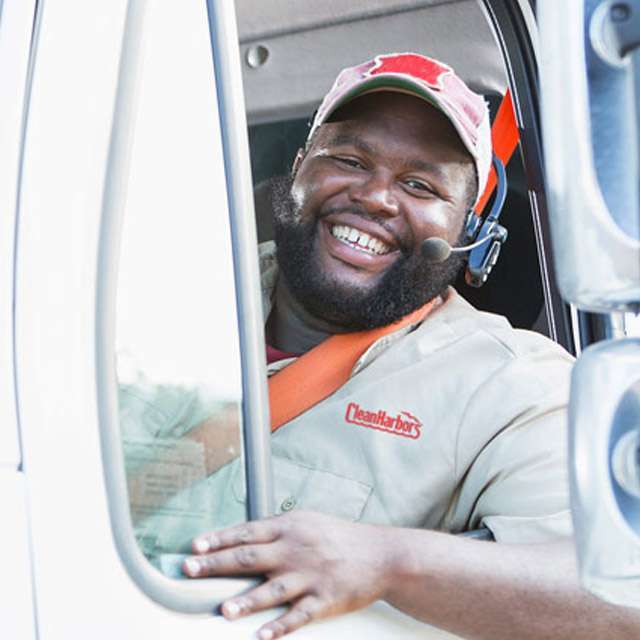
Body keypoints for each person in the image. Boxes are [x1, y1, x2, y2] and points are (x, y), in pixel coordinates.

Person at [126, 53, 640, 638]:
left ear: (466, 234)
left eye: (420, 185)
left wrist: (390, 563)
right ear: (297, 173)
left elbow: (624, 600)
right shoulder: (160, 300)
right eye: (348, 160)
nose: (375, 197)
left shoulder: (515, 388)